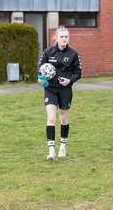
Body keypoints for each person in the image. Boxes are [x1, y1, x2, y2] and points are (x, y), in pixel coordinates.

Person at [38, 26, 82, 160]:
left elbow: (78, 72)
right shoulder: (48, 52)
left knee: (63, 118)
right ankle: (51, 150)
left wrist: (69, 81)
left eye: (66, 37)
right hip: (50, 89)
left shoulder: (73, 54)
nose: (64, 39)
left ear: (68, 38)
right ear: (56, 38)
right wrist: (41, 80)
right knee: (51, 118)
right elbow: (40, 71)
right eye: (61, 37)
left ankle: (63, 146)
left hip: (65, 90)